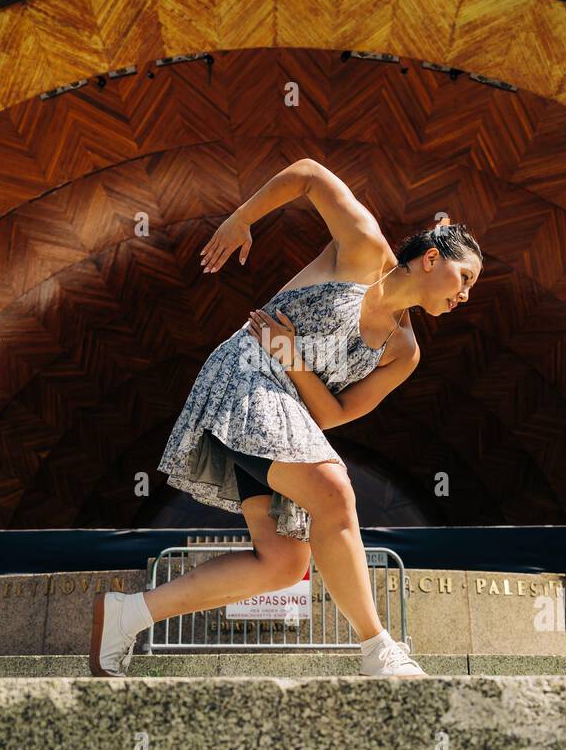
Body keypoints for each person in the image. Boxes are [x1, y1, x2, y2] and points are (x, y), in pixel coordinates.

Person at [90, 157, 483, 678]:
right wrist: (241, 220)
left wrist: (294, 358)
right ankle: (378, 648)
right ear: (431, 259)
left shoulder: (403, 352)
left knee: (282, 563)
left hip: (290, 408)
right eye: (464, 277)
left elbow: (336, 412)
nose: (465, 294)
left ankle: (129, 614)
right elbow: (310, 174)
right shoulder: (364, 249)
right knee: (335, 491)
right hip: (245, 376)